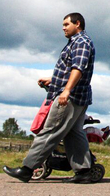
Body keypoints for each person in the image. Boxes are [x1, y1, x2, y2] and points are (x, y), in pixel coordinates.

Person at [3, 12, 95, 184]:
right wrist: (54, 80)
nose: (63, 28)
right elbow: (71, 70)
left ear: (78, 24)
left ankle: (27, 169)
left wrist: (66, 90)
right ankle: (84, 171)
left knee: (50, 131)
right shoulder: (77, 42)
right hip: (78, 96)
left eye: (66, 24)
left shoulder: (81, 42)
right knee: (74, 134)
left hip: (70, 97)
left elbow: (78, 69)